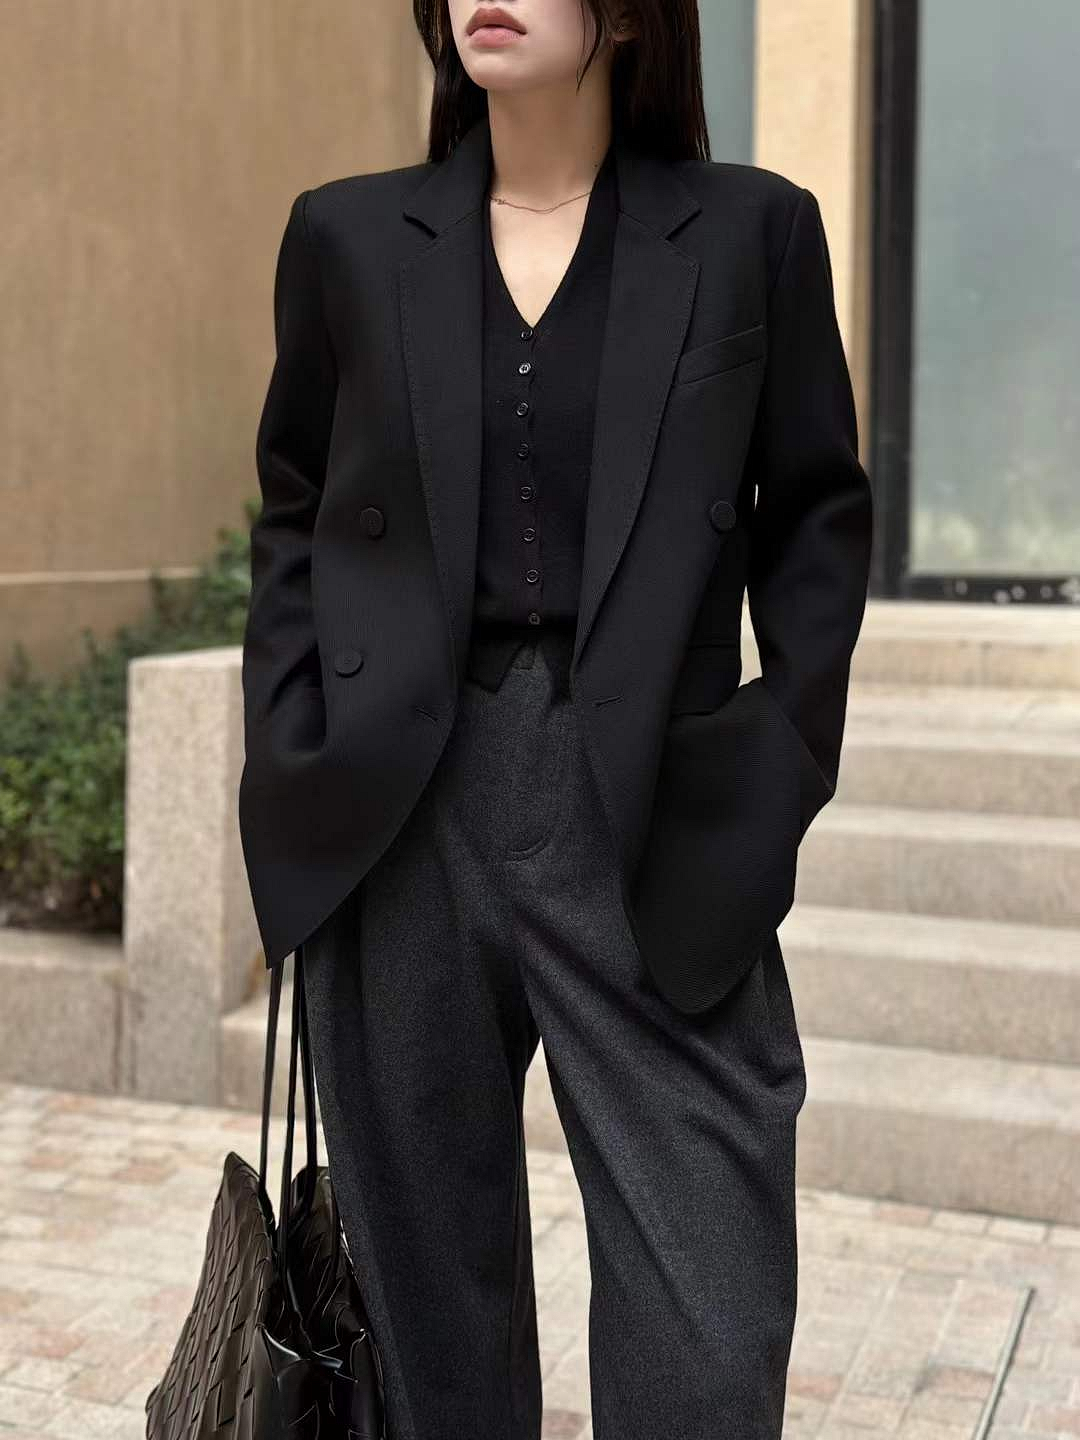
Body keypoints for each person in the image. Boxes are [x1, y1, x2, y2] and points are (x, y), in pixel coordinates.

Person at [237, 1, 874, 1436]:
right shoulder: (348, 236)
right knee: (424, 1336)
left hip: (649, 805)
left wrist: (774, 760)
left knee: (707, 1335)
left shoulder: (751, 232)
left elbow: (817, 522)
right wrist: (292, 750)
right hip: (399, 812)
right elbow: (295, 515)